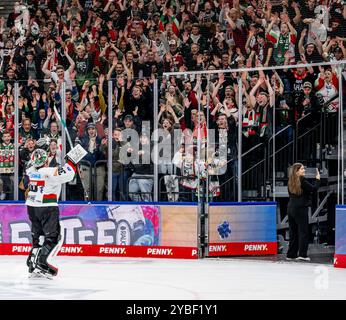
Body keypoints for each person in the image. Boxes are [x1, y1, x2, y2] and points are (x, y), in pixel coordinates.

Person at [25, 147, 83, 278]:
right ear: (46, 161)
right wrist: (72, 159)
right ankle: (41, 262)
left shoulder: (30, 170)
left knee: (38, 237)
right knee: (53, 237)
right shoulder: (49, 172)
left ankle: (32, 263)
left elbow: (33, 161)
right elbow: (69, 173)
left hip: (32, 206)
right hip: (47, 207)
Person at [286, 163, 320, 261]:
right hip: (300, 208)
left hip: (291, 208)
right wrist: (317, 179)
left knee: (293, 232)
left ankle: (291, 254)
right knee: (303, 232)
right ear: (297, 171)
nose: (304, 170)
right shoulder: (302, 180)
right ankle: (302, 254)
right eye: (302, 169)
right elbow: (313, 189)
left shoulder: (290, 181)